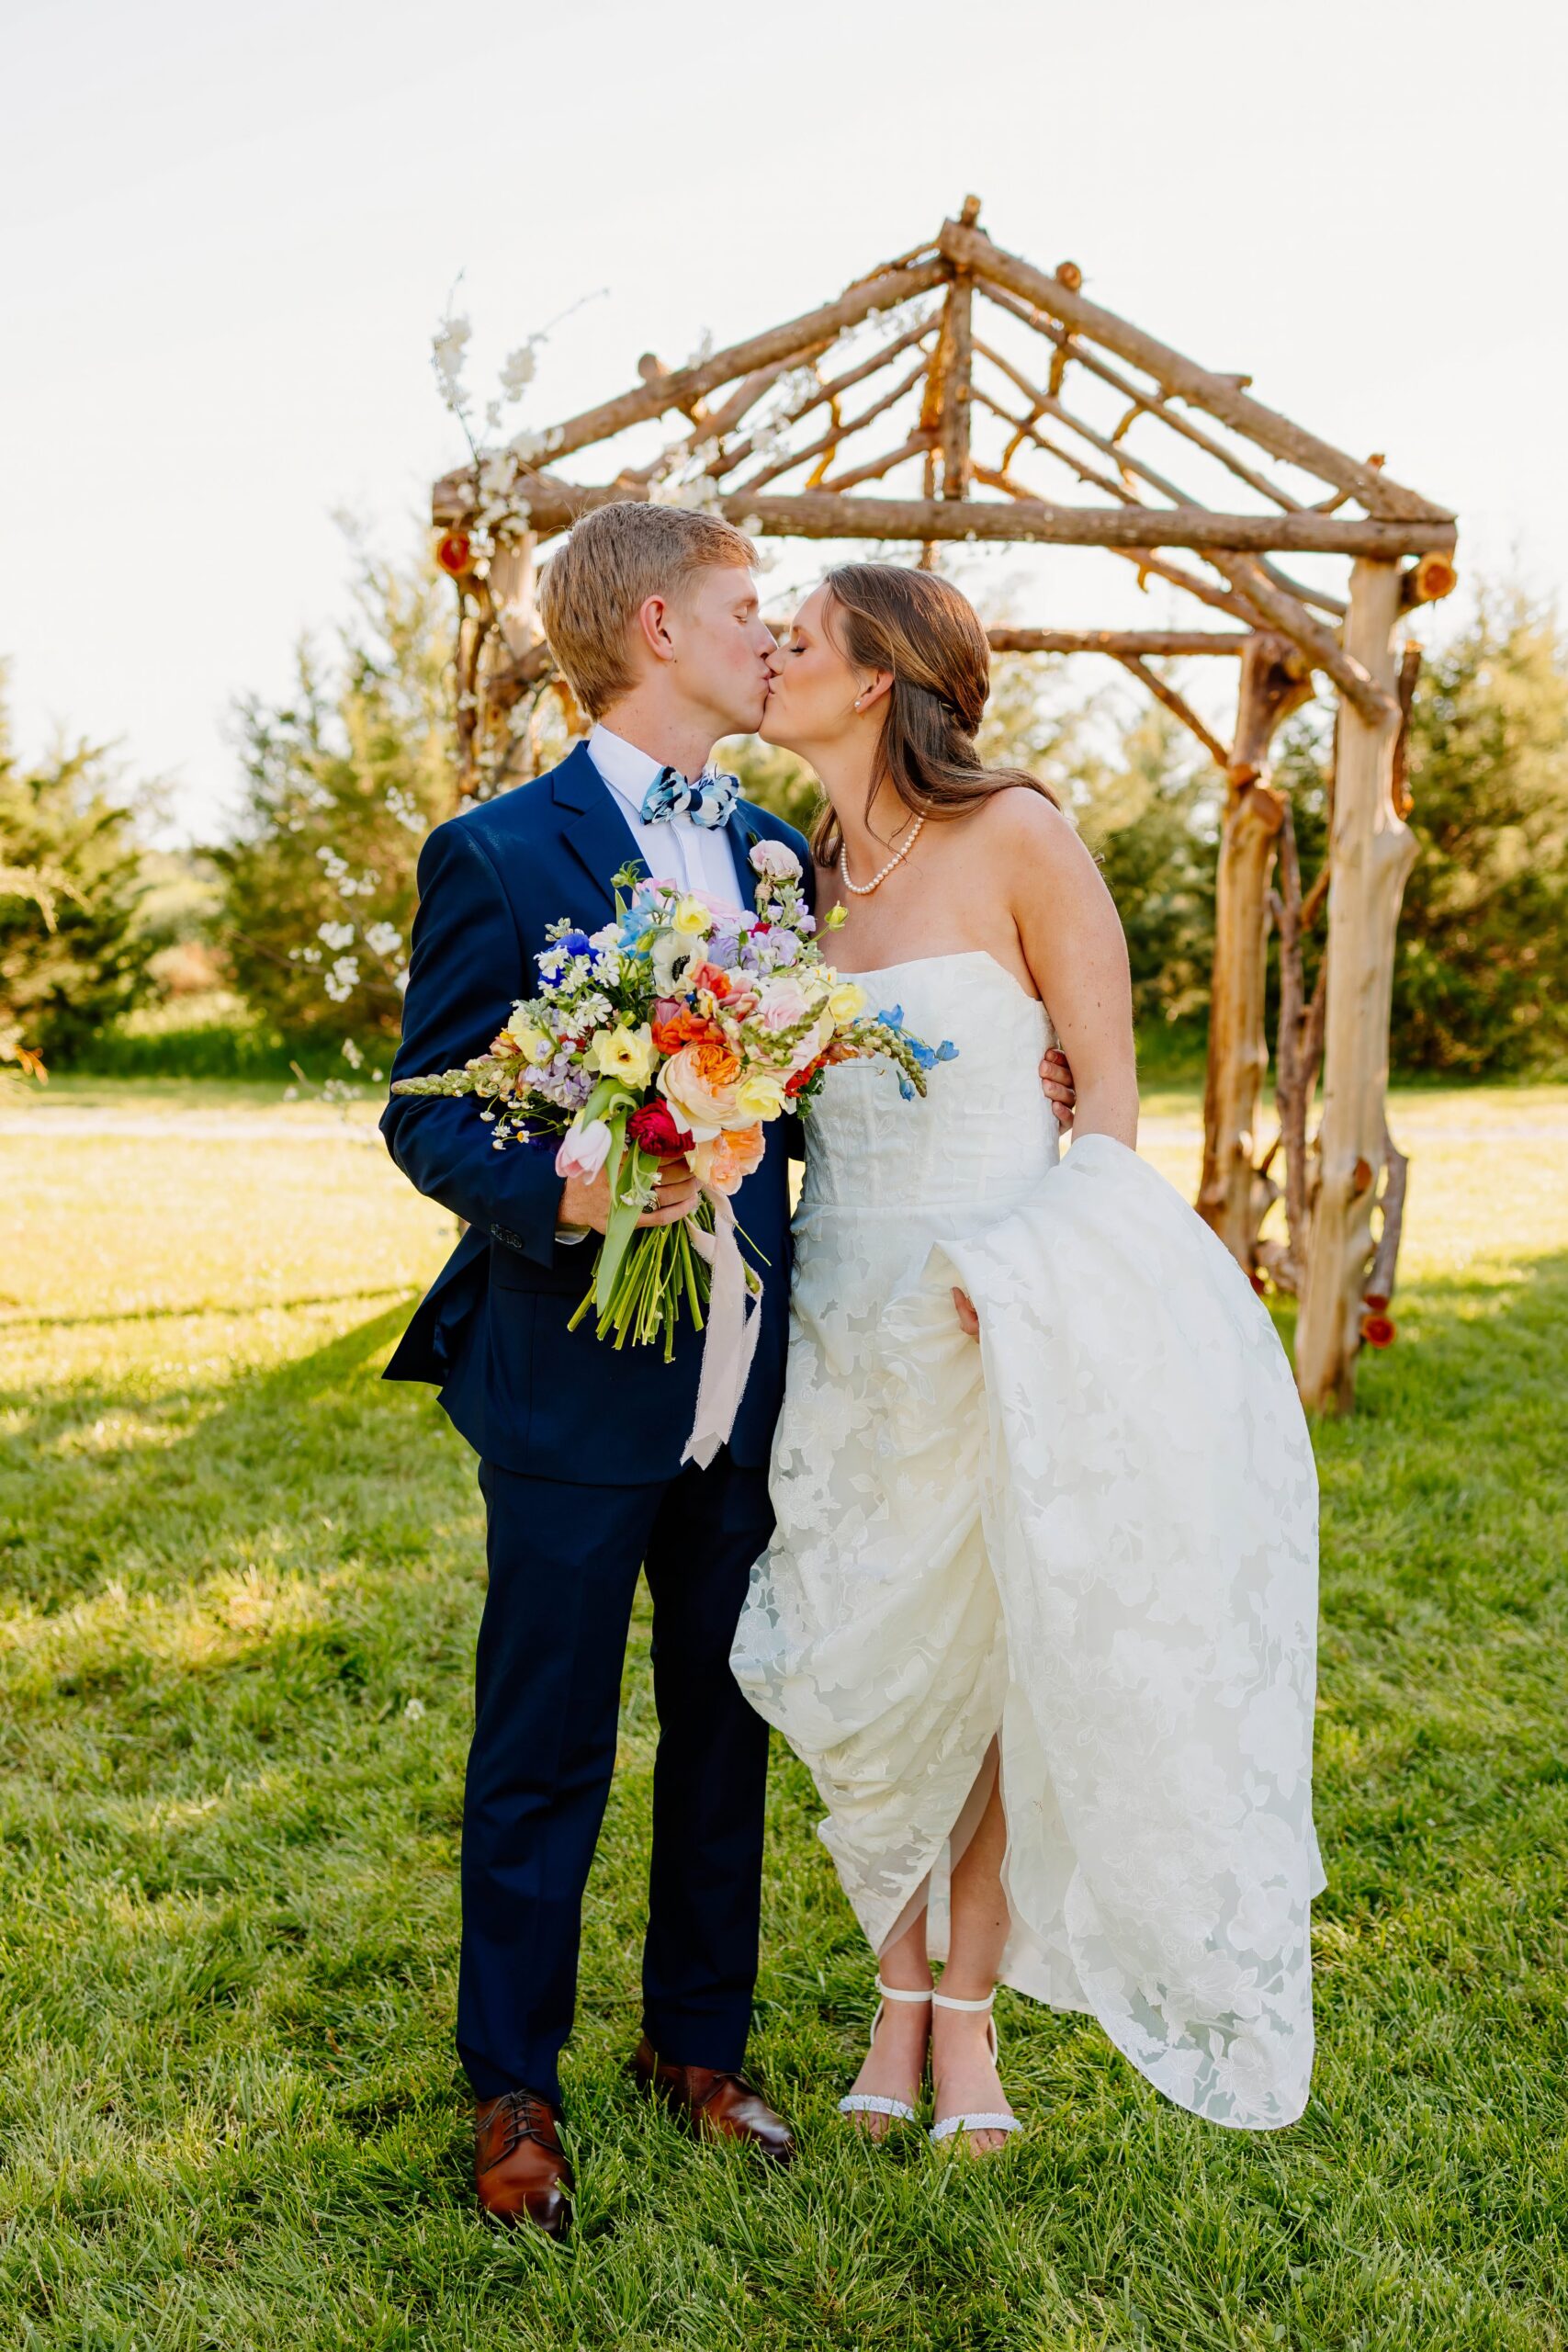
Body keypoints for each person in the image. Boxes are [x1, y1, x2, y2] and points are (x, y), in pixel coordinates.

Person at [381, 502, 1081, 2233]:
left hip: (760, 1373)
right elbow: (426, 1113)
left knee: (725, 1728)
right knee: (543, 1746)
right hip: (569, 1381)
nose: (769, 637)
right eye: (744, 606)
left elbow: (845, 1070)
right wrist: (576, 1185)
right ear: (658, 633)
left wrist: (1026, 1087)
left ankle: (694, 2049)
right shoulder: (497, 852)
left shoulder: (780, 855)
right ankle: (514, 2089)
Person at [730, 563, 1323, 2154]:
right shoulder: (790, 876)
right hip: (842, 1311)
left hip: (999, 1301)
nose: (772, 652)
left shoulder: (1020, 835)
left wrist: (1041, 1273)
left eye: (800, 637)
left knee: (992, 1667)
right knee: (867, 1657)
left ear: (877, 677)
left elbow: (1110, 1098)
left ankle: (961, 2010)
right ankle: (892, 1986)